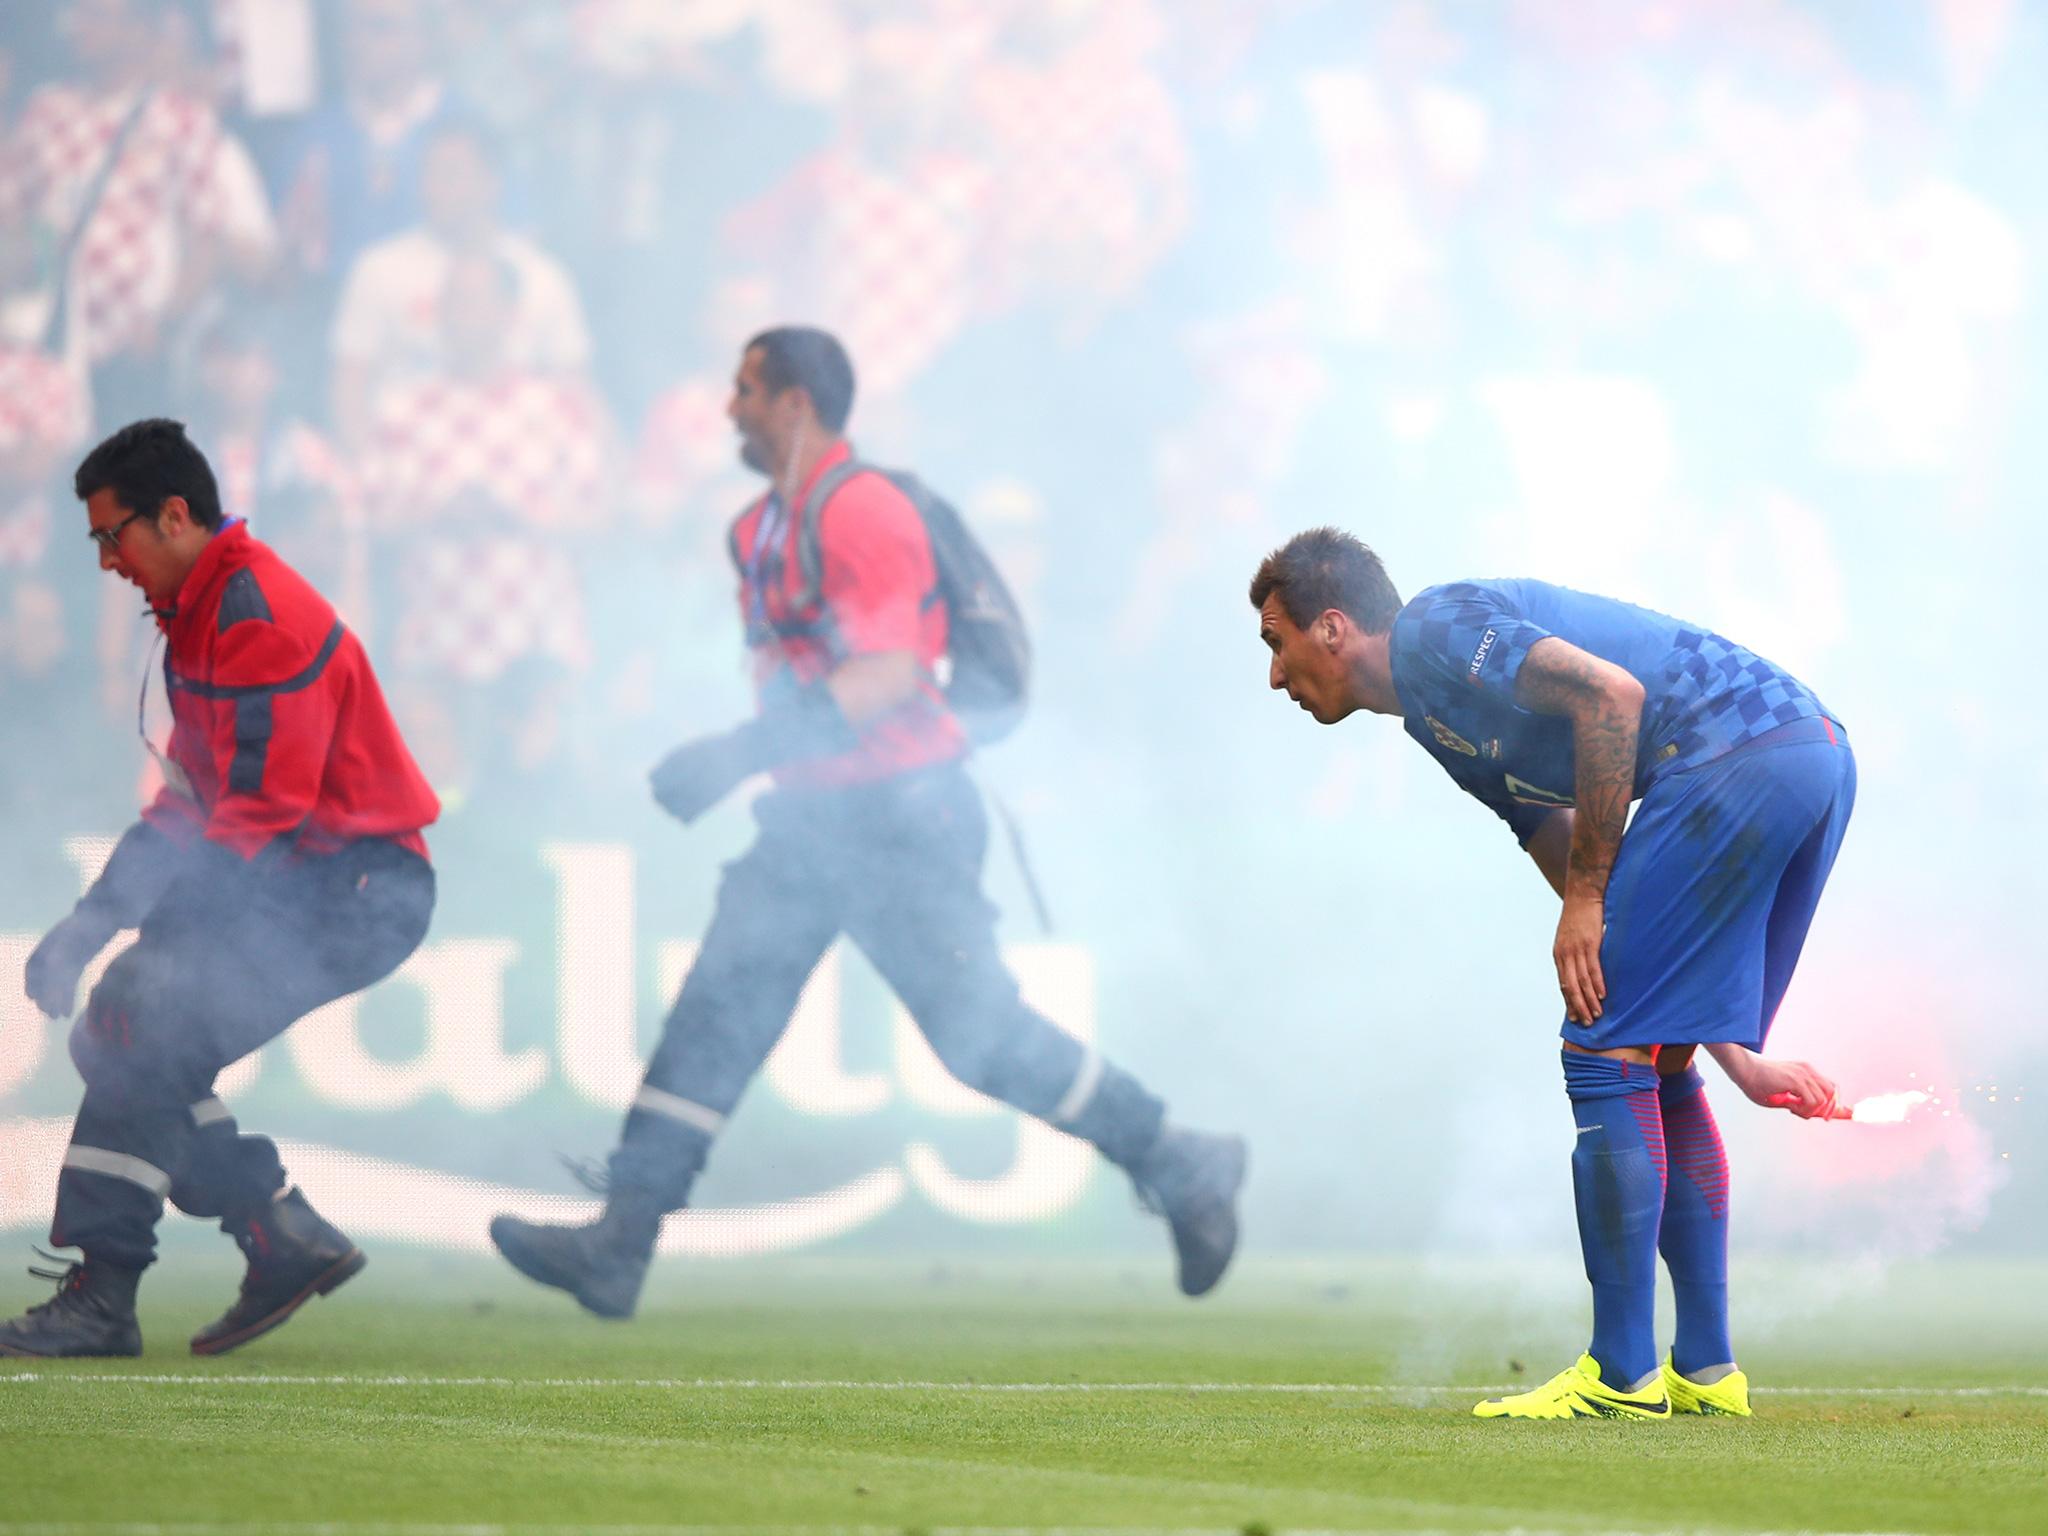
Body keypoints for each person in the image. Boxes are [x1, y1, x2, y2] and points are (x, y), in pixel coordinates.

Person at [489, 326, 1245, 1317]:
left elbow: (888, 676)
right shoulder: (754, 529)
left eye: (746, 389)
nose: (729, 408)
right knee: (720, 1007)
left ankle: (1175, 1156)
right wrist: (763, 758)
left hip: (905, 815)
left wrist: (738, 753)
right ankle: (621, 1243)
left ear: (795, 402)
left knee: (979, 1040)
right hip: (811, 818)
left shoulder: (864, 511)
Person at [1249, 527, 1854, 1421]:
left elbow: (1611, 697)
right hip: (1807, 754)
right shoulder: (1436, 722)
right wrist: (1736, 1054)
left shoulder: (1436, 630)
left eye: (1277, 643)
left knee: (1600, 1057)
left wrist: (1585, 901)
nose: (1274, 676)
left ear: (1331, 627)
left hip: (1738, 752)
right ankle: (1708, 1371)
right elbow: (1589, 890)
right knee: (1649, 1049)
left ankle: (1620, 1375)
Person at [2, 419, 439, 1359]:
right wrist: (89, 926)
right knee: (114, 1029)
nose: (108, 561)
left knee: (137, 1015)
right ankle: (275, 1230)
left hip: (356, 887)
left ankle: (104, 1293)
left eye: (113, 536)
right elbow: (187, 809)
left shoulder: (255, 619)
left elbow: (260, 816)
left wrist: (143, 941)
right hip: (314, 878)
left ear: (172, 515)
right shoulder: (203, 616)